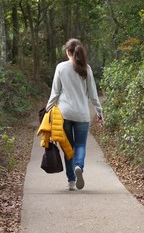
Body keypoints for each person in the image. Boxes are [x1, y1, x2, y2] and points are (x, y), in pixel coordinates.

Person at [46, 38, 104, 191]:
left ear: (68, 52)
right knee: (80, 145)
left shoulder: (60, 67)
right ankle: (79, 166)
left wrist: (47, 111)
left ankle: (71, 181)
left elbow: (55, 93)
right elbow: (93, 94)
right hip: (82, 115)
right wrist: (99, 112)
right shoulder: (87, 69)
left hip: (64, 114)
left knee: (68, 147)